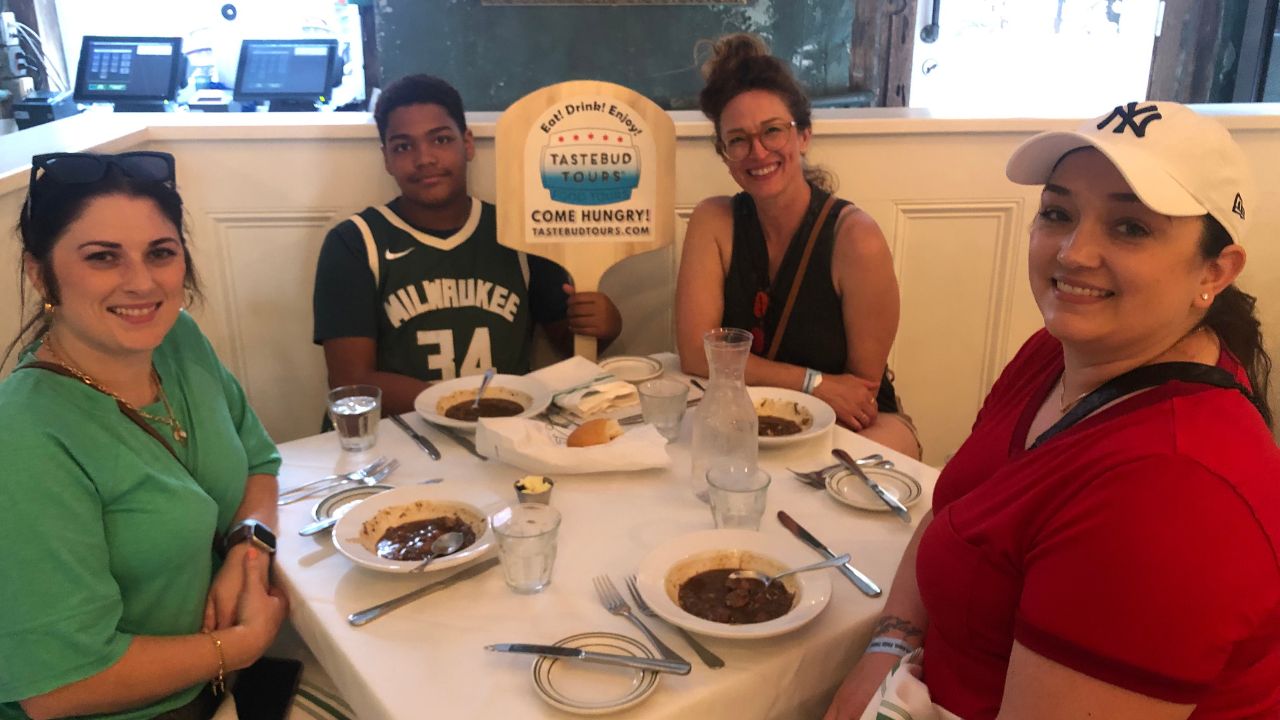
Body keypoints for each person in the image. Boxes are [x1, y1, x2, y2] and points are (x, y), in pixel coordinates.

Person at [824, 101, 1280, 720]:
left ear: (1216, 270)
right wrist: (887, 646)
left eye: (1130, 227)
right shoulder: (1057, 355)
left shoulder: (1173, 490)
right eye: (1059, 213)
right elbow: (957, 504)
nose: (1073, 252)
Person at [0, 152, 288, 719]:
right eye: (103, 257)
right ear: (41, 275)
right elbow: (58, 688)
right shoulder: (24, 435)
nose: (141, 282)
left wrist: (247, 548)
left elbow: (259, 460)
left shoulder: (177, 339)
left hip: (223, 683)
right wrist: (243, 644)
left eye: (160, 253)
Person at [313, 74, 623, 416]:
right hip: (399, 434)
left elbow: (569, 345)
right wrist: (460, 404)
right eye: (403, 146)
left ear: (468, 143)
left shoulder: (519, 232)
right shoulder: (355, 242)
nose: (425, 158)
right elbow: (351, 382)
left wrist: (604, 325)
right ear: (386, 157)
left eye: (441, 140)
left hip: (503, 430)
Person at [676, 34, 920, 458]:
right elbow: (698, 356)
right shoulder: (712, 221)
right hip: (747, 414)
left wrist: (813, 393)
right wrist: (814, 382)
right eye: (738, 140)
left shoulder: (856, 238)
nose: (758, 151)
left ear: (803, 136)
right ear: (724, 153)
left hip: (848, 421)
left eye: (772, 131)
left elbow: (861, 392)